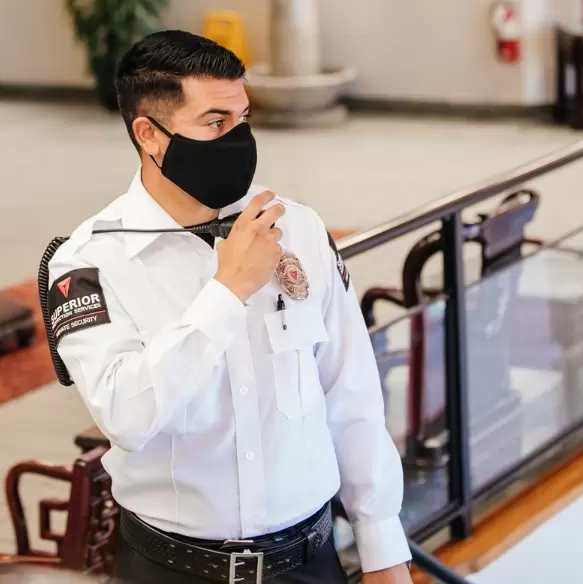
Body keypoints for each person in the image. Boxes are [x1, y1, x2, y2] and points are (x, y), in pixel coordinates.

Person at [48, 30, 413, 584]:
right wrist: (227, 292)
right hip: (171, 567)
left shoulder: (298, 228)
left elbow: (349, 392)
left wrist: (383, 542)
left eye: (243, 119)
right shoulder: (89, 262)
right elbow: (126, 415)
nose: (237, 138)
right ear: (149, 134)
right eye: (215, 123)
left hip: (309, 563)